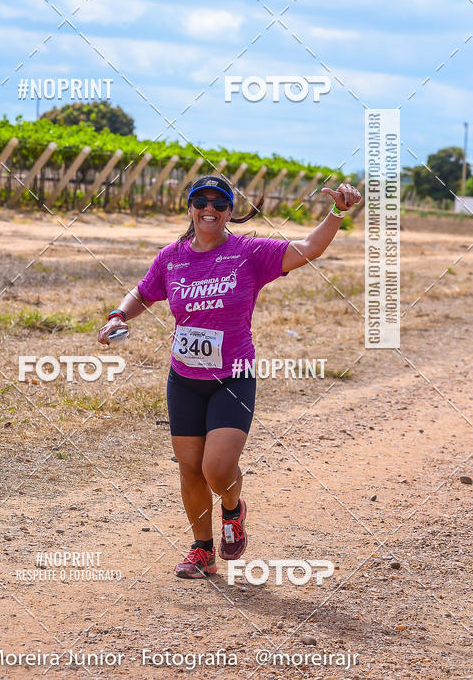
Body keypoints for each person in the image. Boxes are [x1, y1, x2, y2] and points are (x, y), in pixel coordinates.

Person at [97, 174, 361, 579]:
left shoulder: (250, 252)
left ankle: (233, 509)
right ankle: (202, 549)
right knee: (189, 469)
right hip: (184, 380)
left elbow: (308, 249)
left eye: (219, 203)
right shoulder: (172, 257)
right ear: (189, 208)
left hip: (233, 378)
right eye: (201, 201)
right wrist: (118, 315)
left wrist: (337, 213)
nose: (210, 209)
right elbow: (144, 292)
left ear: (229, 212)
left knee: (216, 470)